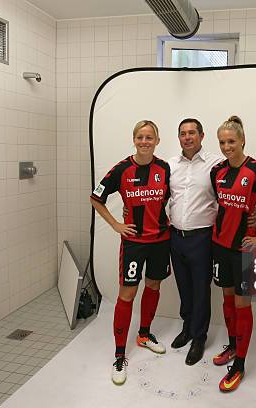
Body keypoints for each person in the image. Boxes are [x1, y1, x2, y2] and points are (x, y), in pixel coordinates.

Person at [90, 120, 171, 386]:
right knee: (127, 294)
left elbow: (173, 198)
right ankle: (120, 354)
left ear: (157, 141)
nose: (145, 142)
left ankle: (144, 334)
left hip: (161, 239)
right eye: (140, 137)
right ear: (133, 139)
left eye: (150, 137)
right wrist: (116, 224)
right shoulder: (123, 169)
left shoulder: (164, 168)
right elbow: (96, 197)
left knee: (154, 285)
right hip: (134, 242)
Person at [210, 115, 256, 392]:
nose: (227, 146)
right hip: (220, 246)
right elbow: (219, 206)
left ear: (242, 140)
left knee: (243, 306)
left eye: (231, 141)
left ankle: (239, 365)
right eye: (222, 142)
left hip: (244, 250)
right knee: (227, 300)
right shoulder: (217, 171)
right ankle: (232, 345)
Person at [167, 118, 222, 365]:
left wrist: (251, 213)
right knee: (183, 287)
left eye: (192, 133)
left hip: (202, 237)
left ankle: (199, 337)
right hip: (176, 237)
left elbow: (229, 197)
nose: (187, 137)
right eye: (183, 133)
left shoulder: (216, 164)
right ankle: (187, 327)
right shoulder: (170, 165)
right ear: (178, 137)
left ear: (201, 135)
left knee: (201, 289)